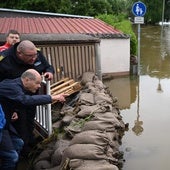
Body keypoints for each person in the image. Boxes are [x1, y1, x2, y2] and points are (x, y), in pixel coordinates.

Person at [0, 40, 55, 155]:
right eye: (30, 56)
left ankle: (29, 146)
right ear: (19, 53)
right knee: (19, 127)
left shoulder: (36, 54)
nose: (34, 58)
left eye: (35, 55)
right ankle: (21, 153)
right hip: (13, 102)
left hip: (31, 98)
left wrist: (49, 72)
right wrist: (12, 109)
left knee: (30, 122)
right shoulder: (5, 60)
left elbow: (48, 66)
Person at [0, 105, 24, 170]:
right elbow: (24, 99)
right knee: (12, 157)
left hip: (3, 126)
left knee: (18, 143)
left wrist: (13, 111)